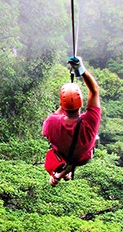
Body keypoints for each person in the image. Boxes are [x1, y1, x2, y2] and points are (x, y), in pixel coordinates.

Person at [42, 57, 101, 186]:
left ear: (61, 103)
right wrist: (81, 69)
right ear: (81, 103)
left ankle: (59, 175)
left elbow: (56, 116)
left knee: (69, 156)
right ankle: (60, 176)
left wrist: (65, 100)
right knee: (76, 156)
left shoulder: (52, 122)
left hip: (63, 155)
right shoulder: (90, 122)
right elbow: (94, 90)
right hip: (83, 157)